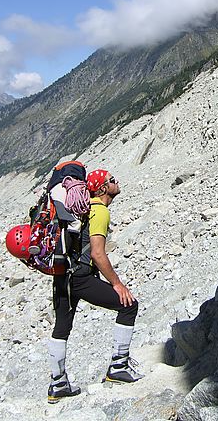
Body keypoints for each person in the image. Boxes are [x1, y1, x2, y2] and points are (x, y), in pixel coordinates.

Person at [47, 168, 143, 404]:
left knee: (62, 327)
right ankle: (118, 367)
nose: (116, 182)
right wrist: (117, 284)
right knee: (128, 305)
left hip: (63, 276)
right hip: (81, 278)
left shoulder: (82, 209)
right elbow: (98, 254)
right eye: (112, 180)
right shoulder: (99, 212)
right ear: (102, 188)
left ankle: (57, 383)